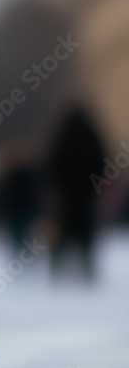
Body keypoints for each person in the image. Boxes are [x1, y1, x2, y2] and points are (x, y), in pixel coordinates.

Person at [47, 107, 105, 279]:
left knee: (63, 233)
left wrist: (57, 187)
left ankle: (56, 269)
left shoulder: (63, 137)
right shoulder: (92, 135)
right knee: (86, 236)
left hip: (67, 197)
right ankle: (88, 270)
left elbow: (53, 164)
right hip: (87, 195)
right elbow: (101, 162)